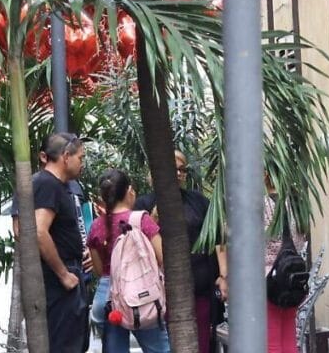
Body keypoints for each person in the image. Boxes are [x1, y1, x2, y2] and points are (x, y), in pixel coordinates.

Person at [134, 150, 227, 353]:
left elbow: (218, 238)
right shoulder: (143, 205)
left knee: (202, 343)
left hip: (200, 289)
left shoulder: (199, 201)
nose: (176, 174)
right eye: (172, 169)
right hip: (161, 293)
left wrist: (223, 275)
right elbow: (138, 245)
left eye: (181, 170)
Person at [88, 169, 171, 353]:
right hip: (142, 294)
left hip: (109, 300)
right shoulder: (141, 220)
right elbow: (162, 256)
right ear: (129, 191)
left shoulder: (96, 226)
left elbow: (98, 269)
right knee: (159, 349)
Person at [34, 132, 89, 353]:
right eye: (80, 158)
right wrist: (63, 274)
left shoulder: (51, 184)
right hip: (60, 278)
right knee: (66, 345)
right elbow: (38, 231)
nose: (82, 164)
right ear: (66, 156)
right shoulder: (48, 184)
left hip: (68, 271)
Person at [263, 176, 307, 353]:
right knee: (289, 334)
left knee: (271, 339)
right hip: (294, 278)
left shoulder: (262, 206)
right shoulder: (296, 207)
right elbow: (303, 238)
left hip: (269, 279)